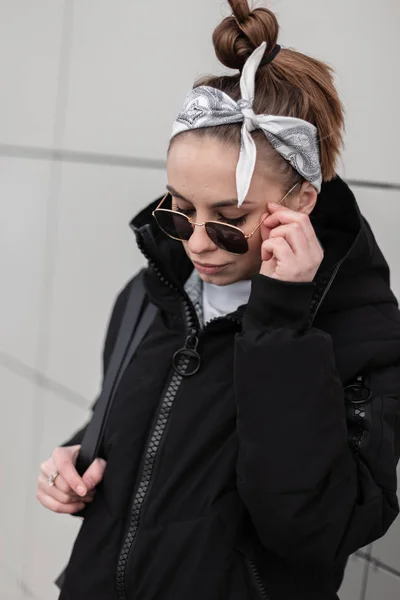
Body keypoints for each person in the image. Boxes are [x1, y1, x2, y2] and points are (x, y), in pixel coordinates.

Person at [36, 1, 400, 599]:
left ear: (302, 201)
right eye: (178, 210)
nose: (198, 243)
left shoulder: (356, 331)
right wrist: (76, 462)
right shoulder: (153, 291)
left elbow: (310, 527)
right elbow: (153, 433)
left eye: (229, 221)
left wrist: (281, 323)